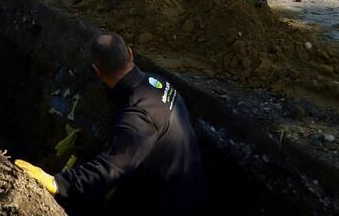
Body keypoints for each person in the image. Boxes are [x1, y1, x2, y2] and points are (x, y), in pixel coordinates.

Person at [14, 33, 206, 214]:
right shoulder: (157, 82)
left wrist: (59, 183)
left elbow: (113, 168)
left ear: (97, 70)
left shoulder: (138, 117)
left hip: (167, 204)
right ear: (130, 53)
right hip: (190, 185)